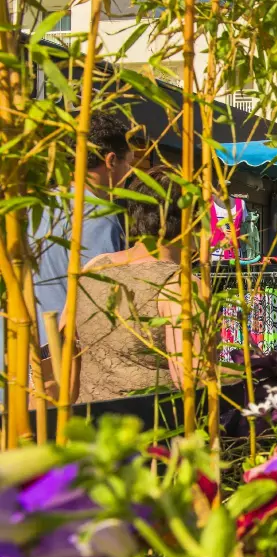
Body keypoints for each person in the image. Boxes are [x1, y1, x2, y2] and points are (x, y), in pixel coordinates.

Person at [56, 166, 198, 403]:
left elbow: (66, 342)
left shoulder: (95, 267)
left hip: (87, 417)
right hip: (152, 421)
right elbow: (191, 379)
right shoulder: (180, 285)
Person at [32, 110, 133, 357]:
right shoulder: (98, 216)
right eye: (129, 163)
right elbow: (102, 303)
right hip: (60, 356)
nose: (130, 172)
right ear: (111, 160)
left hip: (21, 350)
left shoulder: (38, 206)